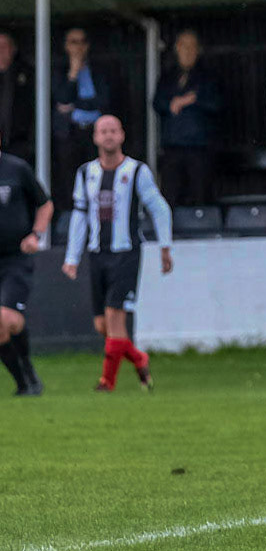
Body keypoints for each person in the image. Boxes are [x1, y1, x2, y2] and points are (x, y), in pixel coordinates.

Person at [62, 115, 173, 392]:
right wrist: (72, 257)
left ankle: (106, 382)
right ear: (96, 138)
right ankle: (138, 358)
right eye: (103, 131)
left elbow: (159, 208)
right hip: (97, 253)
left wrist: (165, 246)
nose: (108, 136)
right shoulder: (86, 173)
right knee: (103, 325)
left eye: (113, 131)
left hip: (125, 253)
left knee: (114, 316)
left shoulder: (137, 171)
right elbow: (79, 215)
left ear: (122, 136)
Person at [0, 139, 53, 396]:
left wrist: (36, 234)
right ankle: (23, 382)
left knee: (5, 318)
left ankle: (28, 372)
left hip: (15, 258)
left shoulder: (16, 169)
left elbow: (45, 204)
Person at [152, 29, 221, 207]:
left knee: (201, 196)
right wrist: (174, 103)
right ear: (176, 48)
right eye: (184, 46)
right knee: (171, 196)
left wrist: (191, 101)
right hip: (172, 146)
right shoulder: (167, 77)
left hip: (199, 147)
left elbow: (216, 104)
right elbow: (157, 103)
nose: (188, 50)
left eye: (192, 46)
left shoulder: (208, 76)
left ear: (198, 50)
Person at [51, 28, 109, 211]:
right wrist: (73, 74)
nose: (78, 47)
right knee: (69, 178)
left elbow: (103, 101)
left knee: (97, 176)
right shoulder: (58, 70)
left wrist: (75, 105)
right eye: (73, 42)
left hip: (96, 133)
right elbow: (60, 98)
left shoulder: (99, 70)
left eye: (82, 41)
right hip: (70, 133)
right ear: (66, 46)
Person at [0, 32, 34, 161]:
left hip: (19, 142)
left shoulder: (27, 74)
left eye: (5, 45)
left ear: (13, 49)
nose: (1, 50)